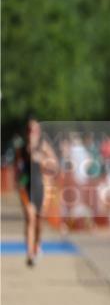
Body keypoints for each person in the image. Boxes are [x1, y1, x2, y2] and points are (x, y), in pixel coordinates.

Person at [15, 114, 56, 267]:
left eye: (34, 129)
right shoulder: (21, 149)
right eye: (29, 130)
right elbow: (18, 169)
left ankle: (37, 245)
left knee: (39, 221)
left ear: (38, 131)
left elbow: (55, 164)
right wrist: (19, 180)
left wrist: (43, 160)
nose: (31, 132)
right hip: (26, 188)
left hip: (41, 187)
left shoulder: (43, 146)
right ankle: (30, 254)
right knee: (30, 219)